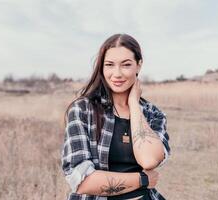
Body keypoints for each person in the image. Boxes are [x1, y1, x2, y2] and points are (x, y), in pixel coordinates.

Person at [61, 33, 171, 200]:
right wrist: (142, 179)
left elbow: (149, 160)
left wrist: (134, 104)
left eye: (126, 65)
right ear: (102, 68)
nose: (117, 73)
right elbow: (82, 181)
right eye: (110, 65)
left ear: (139, 66)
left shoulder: (153, 114)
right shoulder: (83, 110)